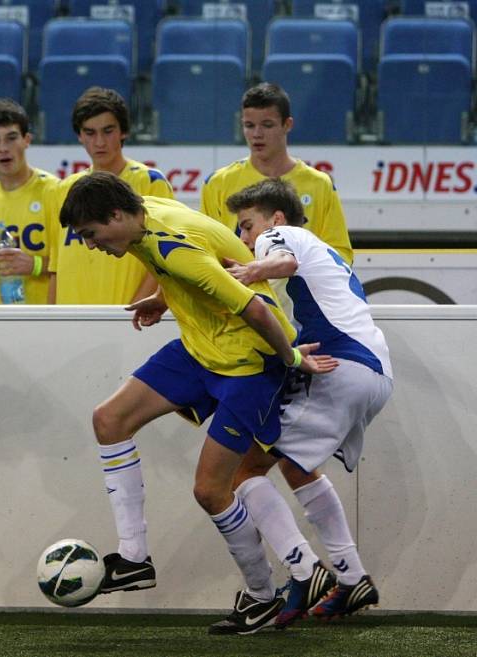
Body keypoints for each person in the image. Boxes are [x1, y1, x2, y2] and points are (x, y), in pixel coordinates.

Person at [58, 171, 337, 635]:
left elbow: (256, 308)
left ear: (115, 216)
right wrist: (163, 299)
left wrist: (291, 358)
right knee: (109, 419)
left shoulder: (173, 247)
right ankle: (133, 558)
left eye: (92, 234)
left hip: (249, 361)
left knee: (211, 491)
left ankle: (263, 596)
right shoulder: (143, 210)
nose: (91, 245)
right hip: (200, 346)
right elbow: (201, 263)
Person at [224, 178, 393, 625]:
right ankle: (352, 577)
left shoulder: (285, 236)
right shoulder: (327, 257)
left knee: (242, 469)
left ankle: (304, 569)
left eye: (247, 226)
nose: (244, 239)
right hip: (372, 371)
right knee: (295, 464)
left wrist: (253, 270)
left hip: (342, 364)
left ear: (275, 220)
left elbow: (282, 257)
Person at [200, 82, 353, 265]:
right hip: (239, 291)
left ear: (287, 125)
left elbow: (340, 254)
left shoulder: (319, 184)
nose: (257, 134)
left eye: (267, 125)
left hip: (300, 291)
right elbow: (205, 250)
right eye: (249, 125)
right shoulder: (219, 183)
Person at [47, 87, 174, 304]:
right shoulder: (62, 189)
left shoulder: (151, 182)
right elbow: (55, 267)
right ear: (79, 135)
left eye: (108, 131)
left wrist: (132, 310)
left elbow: (164, 259)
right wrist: (51, 317)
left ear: (123, 131)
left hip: (124, 316)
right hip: (70, 319)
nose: (99, 142)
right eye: (90, 132)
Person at [0, 98, 59, 305]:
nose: (3, 148)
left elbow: (73, 266)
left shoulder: (55, 192)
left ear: (27, 140)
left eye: (11, 138)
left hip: (44, 323)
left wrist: (34, 265)